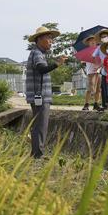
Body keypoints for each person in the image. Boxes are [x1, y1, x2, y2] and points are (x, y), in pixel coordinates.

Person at [25, 26, 67, 159]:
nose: (51, 41)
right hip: (40, 95)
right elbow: (42, 69)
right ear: (40, 39)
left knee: (39, 124)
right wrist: (57, 64)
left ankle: (36, 152)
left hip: (40, 95)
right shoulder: (37, 53)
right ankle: (38, 154)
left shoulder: (39, 53)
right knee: (40, 125)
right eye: (49, 38)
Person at [93, 29, 108, 111]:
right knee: (104, 88)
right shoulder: (99, 47)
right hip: (104, 71)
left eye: (105, 36)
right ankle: (105, 105)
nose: (104, 38)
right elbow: (94, 56)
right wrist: (96, 64)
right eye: (102, 37)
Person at [82, 36, 101, 111]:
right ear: (88, 43)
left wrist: (99, 65)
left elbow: (102, 59)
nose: (93, 42)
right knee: (90, 89)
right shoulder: (86, 51)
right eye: (91, 41)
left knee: (98, 89)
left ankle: (96, 104)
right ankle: (86, 104)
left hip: (98, 71)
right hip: (90, 72)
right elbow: (83, 60)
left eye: (94, 40)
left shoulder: (99, 50)